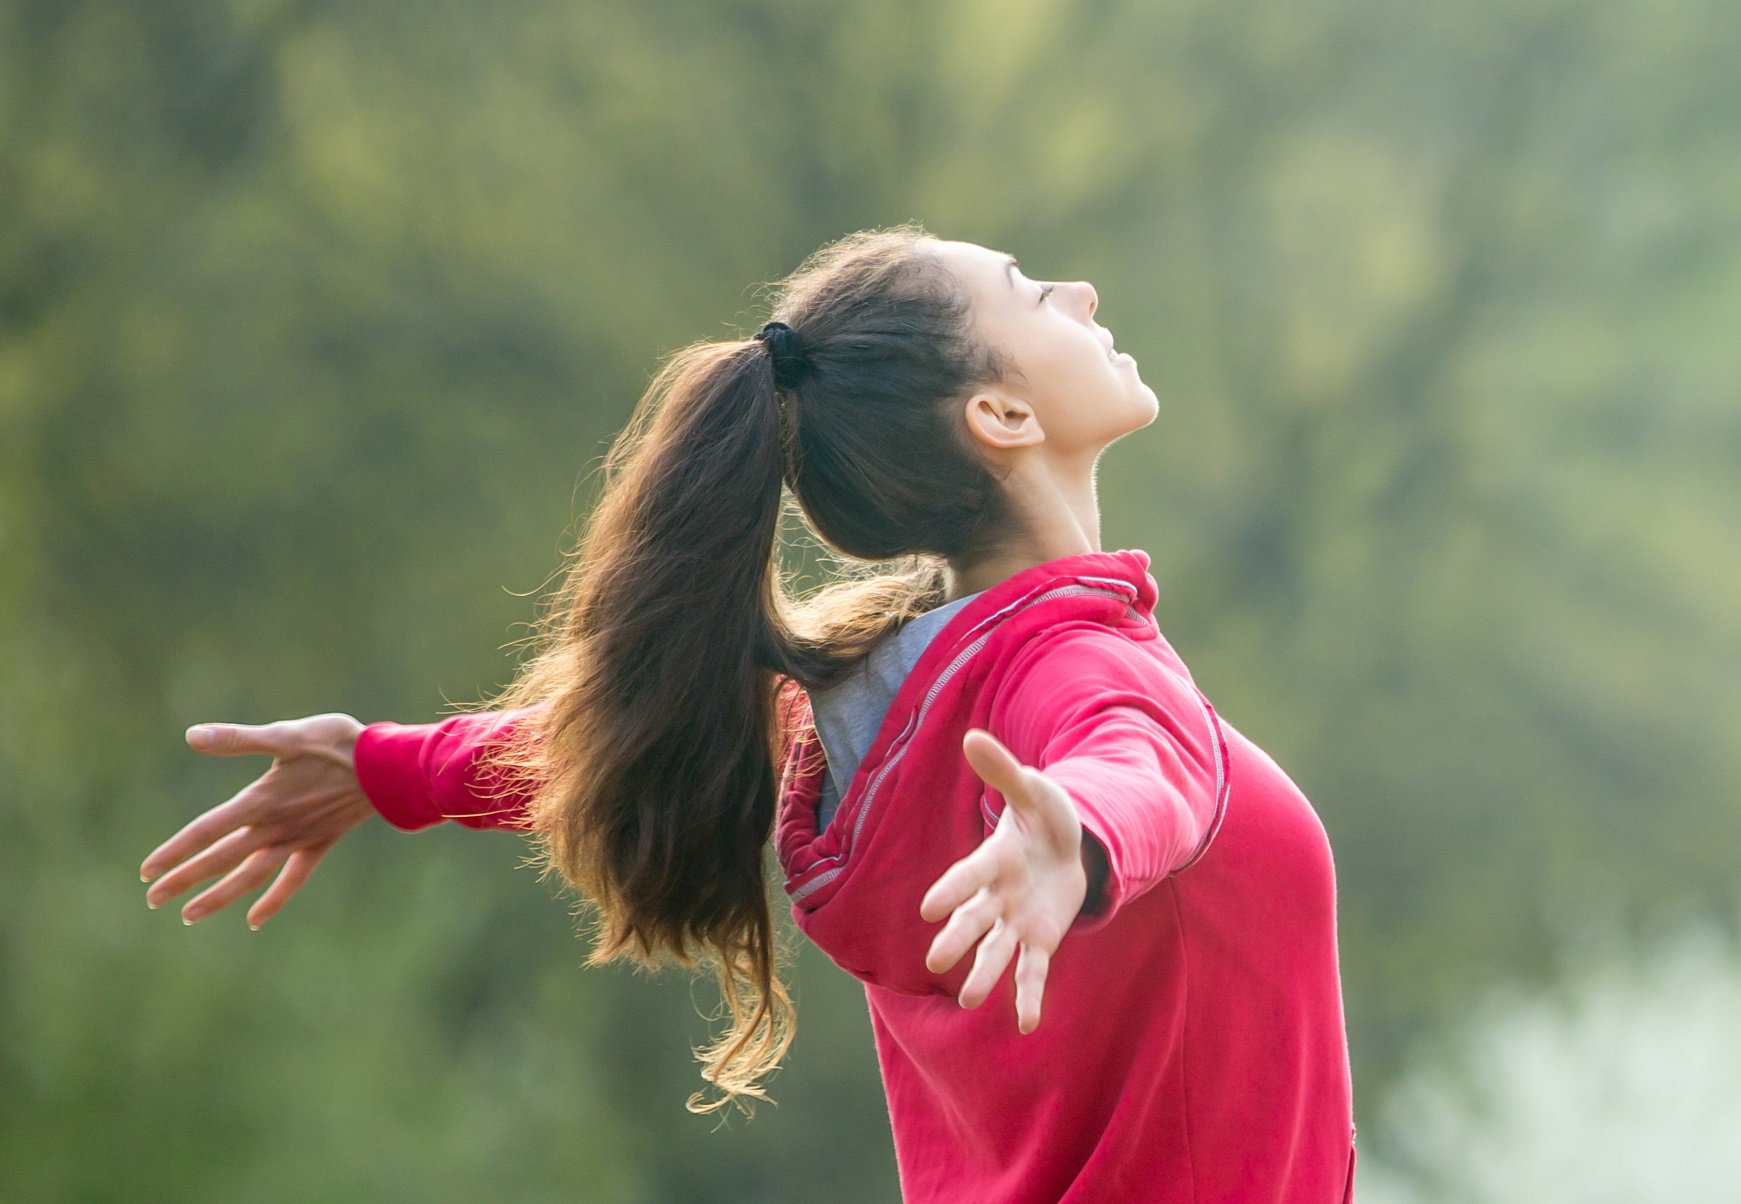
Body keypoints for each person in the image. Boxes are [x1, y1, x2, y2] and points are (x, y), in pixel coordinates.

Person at [139, 227, 1355, 1202]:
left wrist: (388, 768)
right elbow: (1136, 757)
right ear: (1001, 417)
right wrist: (1077, 839)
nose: (1082, 288)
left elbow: (639, 736)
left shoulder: (874, 710)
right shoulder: (1066, 660)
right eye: (1034, 293)